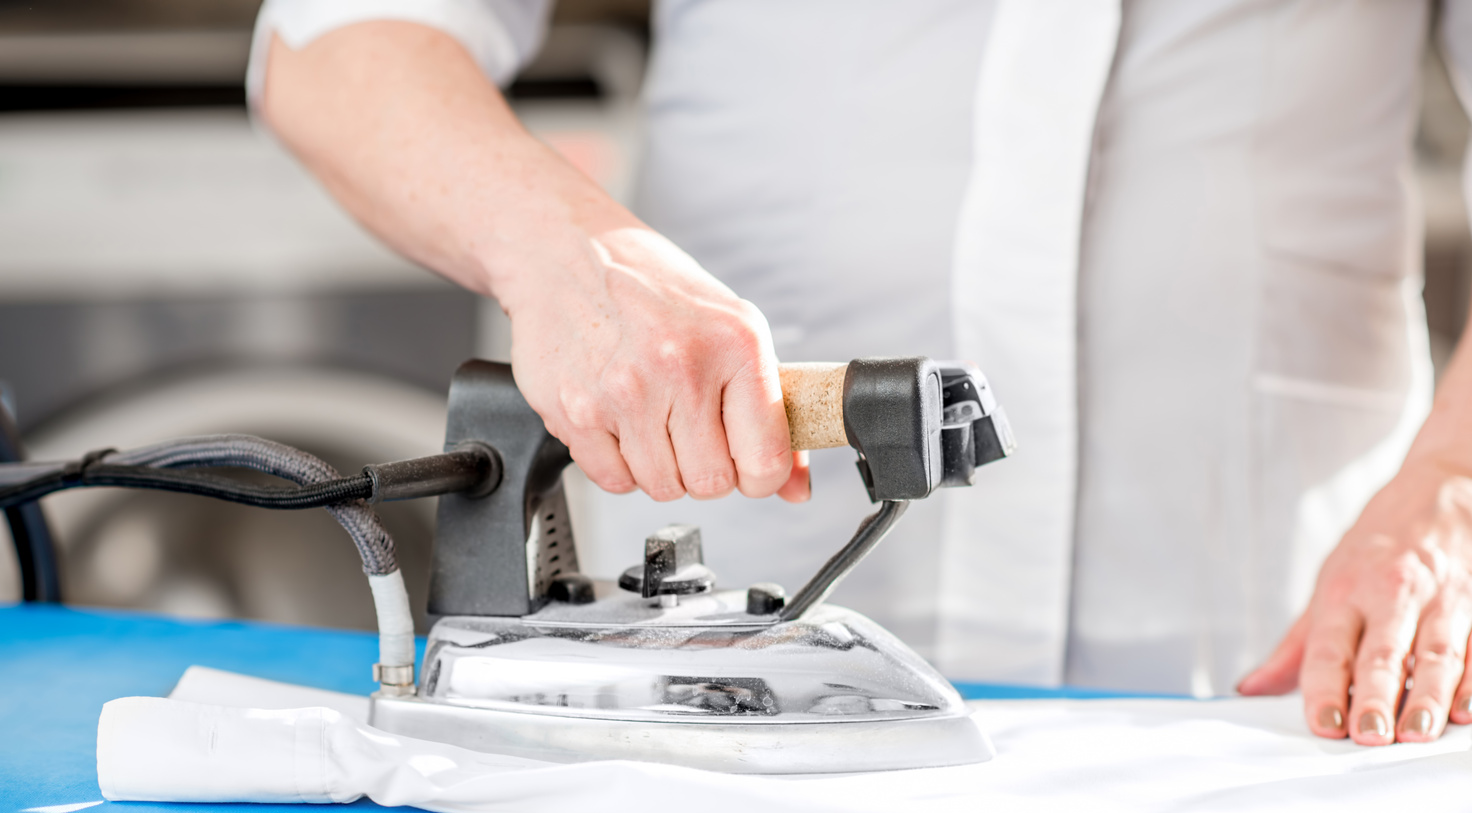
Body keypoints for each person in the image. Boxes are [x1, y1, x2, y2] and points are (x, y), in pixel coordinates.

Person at [248, 0, 1472, 745]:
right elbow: (329, 41)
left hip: (1270, 657)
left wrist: (1451, 494)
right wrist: (573, 257)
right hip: (705, 644)